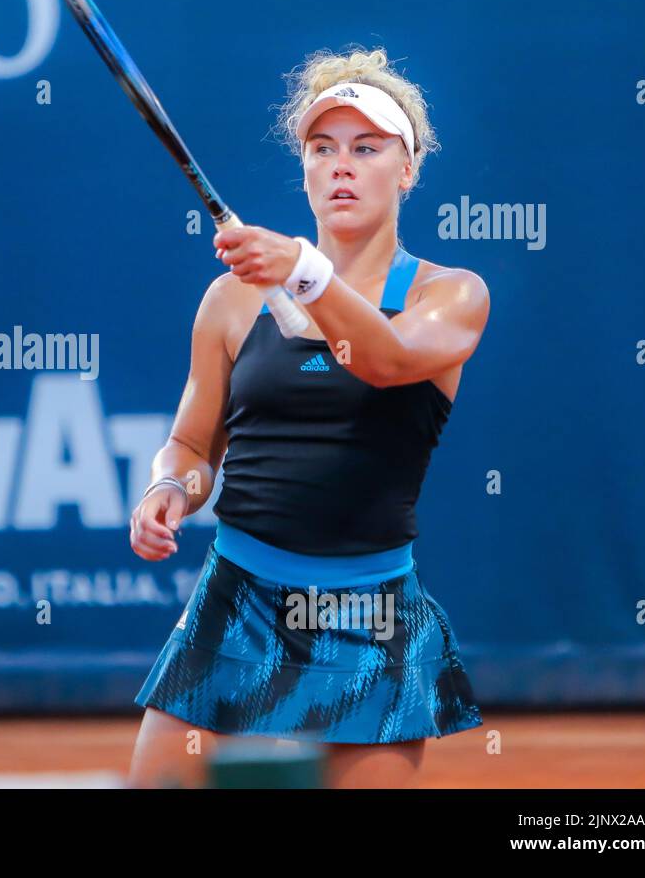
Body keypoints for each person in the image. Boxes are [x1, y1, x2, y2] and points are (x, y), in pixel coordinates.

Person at [127, 48, 488, 788]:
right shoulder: (230, 301)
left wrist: (298, 268)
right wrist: (170, 489)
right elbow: (192, 445)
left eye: (367, 148)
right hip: (237, 598)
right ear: (305, 170)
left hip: (372, 615)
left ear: (408, 168)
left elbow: (381, 359)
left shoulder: (450, 296)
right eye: (322, 149)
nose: (341, 166)